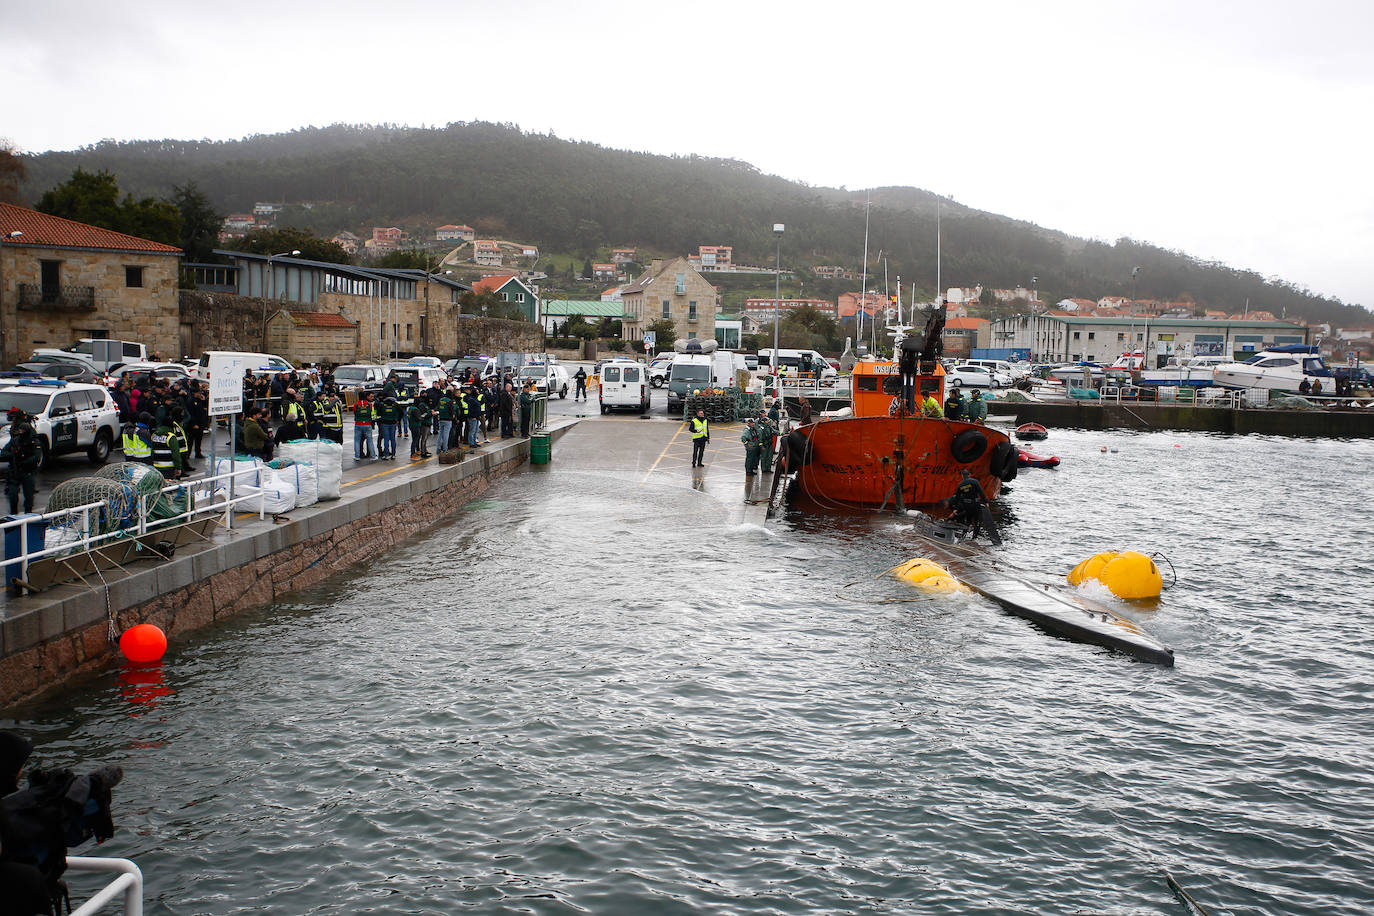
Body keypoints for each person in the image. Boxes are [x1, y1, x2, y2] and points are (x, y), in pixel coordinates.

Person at [2, 410, 42, 514]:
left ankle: (28, 514)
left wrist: (24, 462)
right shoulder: (15, 441)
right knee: (13, 495)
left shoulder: (34, 442)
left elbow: (36, 457)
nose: (20, 433)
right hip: (15, 471)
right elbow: (3, 453)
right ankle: (13, 515)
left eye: (22, 431)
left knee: (29, 496)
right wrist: (13, 455)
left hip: (27, 471)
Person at [947, 468, 988, 537]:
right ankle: (974, 537)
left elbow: (957, 498)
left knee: (968, 520)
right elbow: (981, 492)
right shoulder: (975, 482)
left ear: (962, 476)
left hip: (967, 505)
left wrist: (955, 509)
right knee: (977, 521)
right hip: (976, 504)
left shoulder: (960, 485)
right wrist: (986, 501)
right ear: (969, 475)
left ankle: (964, 535)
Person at [352, 393, 375, 459]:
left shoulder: (355, 404)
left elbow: (354, 412)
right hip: (367, 424)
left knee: (357, 441)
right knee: (370, 440)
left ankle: (357, 456)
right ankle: (373, 456)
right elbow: (371, 412)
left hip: (358, 424)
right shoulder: (369, 404)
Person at [756, 409, 776, 474]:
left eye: (765, 413)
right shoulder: (757, 421)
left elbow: (773, 427)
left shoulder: (769, 420)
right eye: (763, 413)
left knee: (769, 456)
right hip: (761, 440)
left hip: (768, 442)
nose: (764, 414)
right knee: (762, 456)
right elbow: (755, 429)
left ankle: (768, 468)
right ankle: (761, 468)